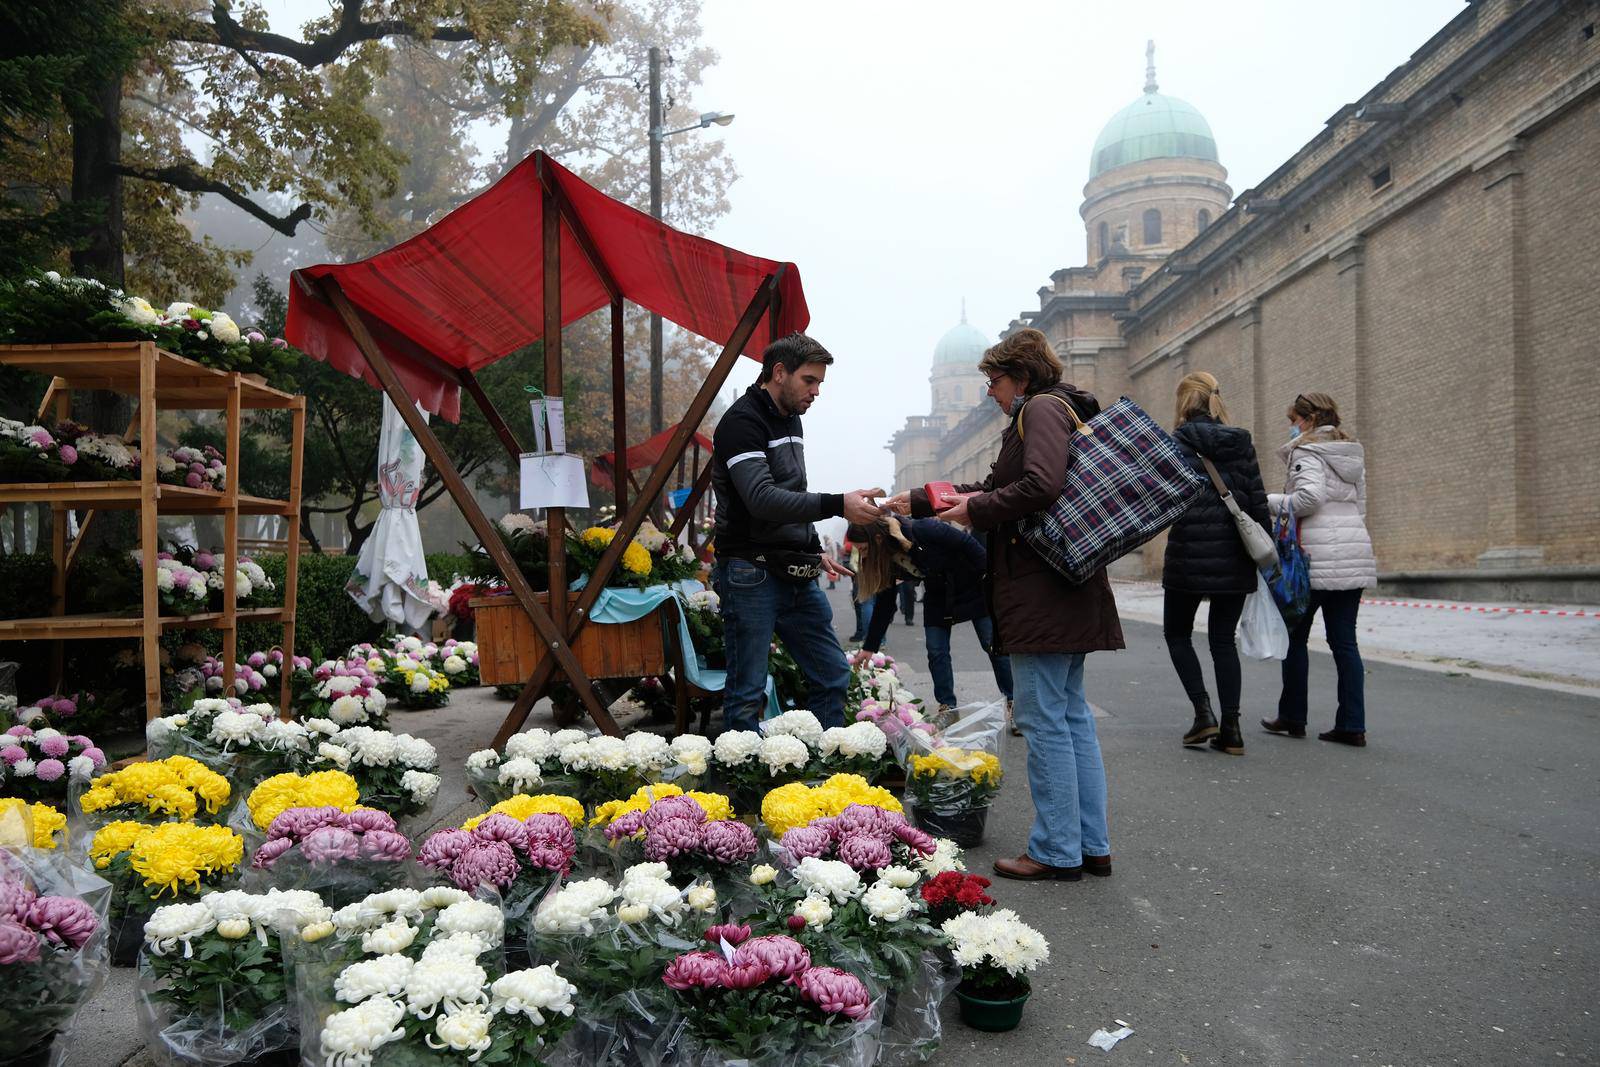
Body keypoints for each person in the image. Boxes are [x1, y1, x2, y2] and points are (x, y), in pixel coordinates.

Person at [888, 328, 1123, 882]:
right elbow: (996, 485)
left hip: (1041, 589)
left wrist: (974, 513)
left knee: (1044, 721)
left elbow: (1039, 485)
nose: (989, 392)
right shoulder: (1059, 410)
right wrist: (923, 498)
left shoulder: (1038, 410)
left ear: (1020, 375)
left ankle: (1056, 851)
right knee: (1070, 719)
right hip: (1067, 586)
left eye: (993, 380)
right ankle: (1090, 845)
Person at [710, 333, 885, 731]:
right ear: (778, 373)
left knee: (832, 674)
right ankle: (747, 791)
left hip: (794, 569)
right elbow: (761, 498)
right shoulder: (742, 422)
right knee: (746, 695)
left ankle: (817, 779)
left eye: (820, 382)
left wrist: (809, 545)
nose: (816, 391)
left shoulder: (792, 418)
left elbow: (793, 491)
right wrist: (838, 503)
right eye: (809, 380)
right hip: (750, 572)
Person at [1260, 392, 1376, 747]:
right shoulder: (1351, 452)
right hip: (1353, 551)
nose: (1292, 427)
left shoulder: (1307, 452)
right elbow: (1361, 506)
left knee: (1295, 636)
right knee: (1345, 643)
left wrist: (1269, 502)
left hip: (1313, 556)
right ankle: (1352, 724)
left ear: (1308, 420)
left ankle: (1293, 716)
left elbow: (1310, 499)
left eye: (1294, 420)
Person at [1161, 371, 1269, 755]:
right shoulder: (1241, 442)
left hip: (1187, 553)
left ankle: (1202, 711)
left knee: (1177, 634)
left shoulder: (1174, 444)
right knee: (1223, 641)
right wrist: (1264, 556)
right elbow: (1256, 502)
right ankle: (1232, 729)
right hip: (1235, 556)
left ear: (1183, 403)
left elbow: (1162, 502)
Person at [848, 515, 1014, 725]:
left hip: (972, 586)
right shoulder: (886, 558)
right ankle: (948, 708)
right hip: (938, 595)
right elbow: (885, 604)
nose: (861, 555)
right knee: (936, 651)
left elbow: (968, 544)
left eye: (863, 549)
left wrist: (994, 584)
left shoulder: (924, 529)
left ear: (878, 539)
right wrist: (869, 647)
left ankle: (1014, 702)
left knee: (992, 645)